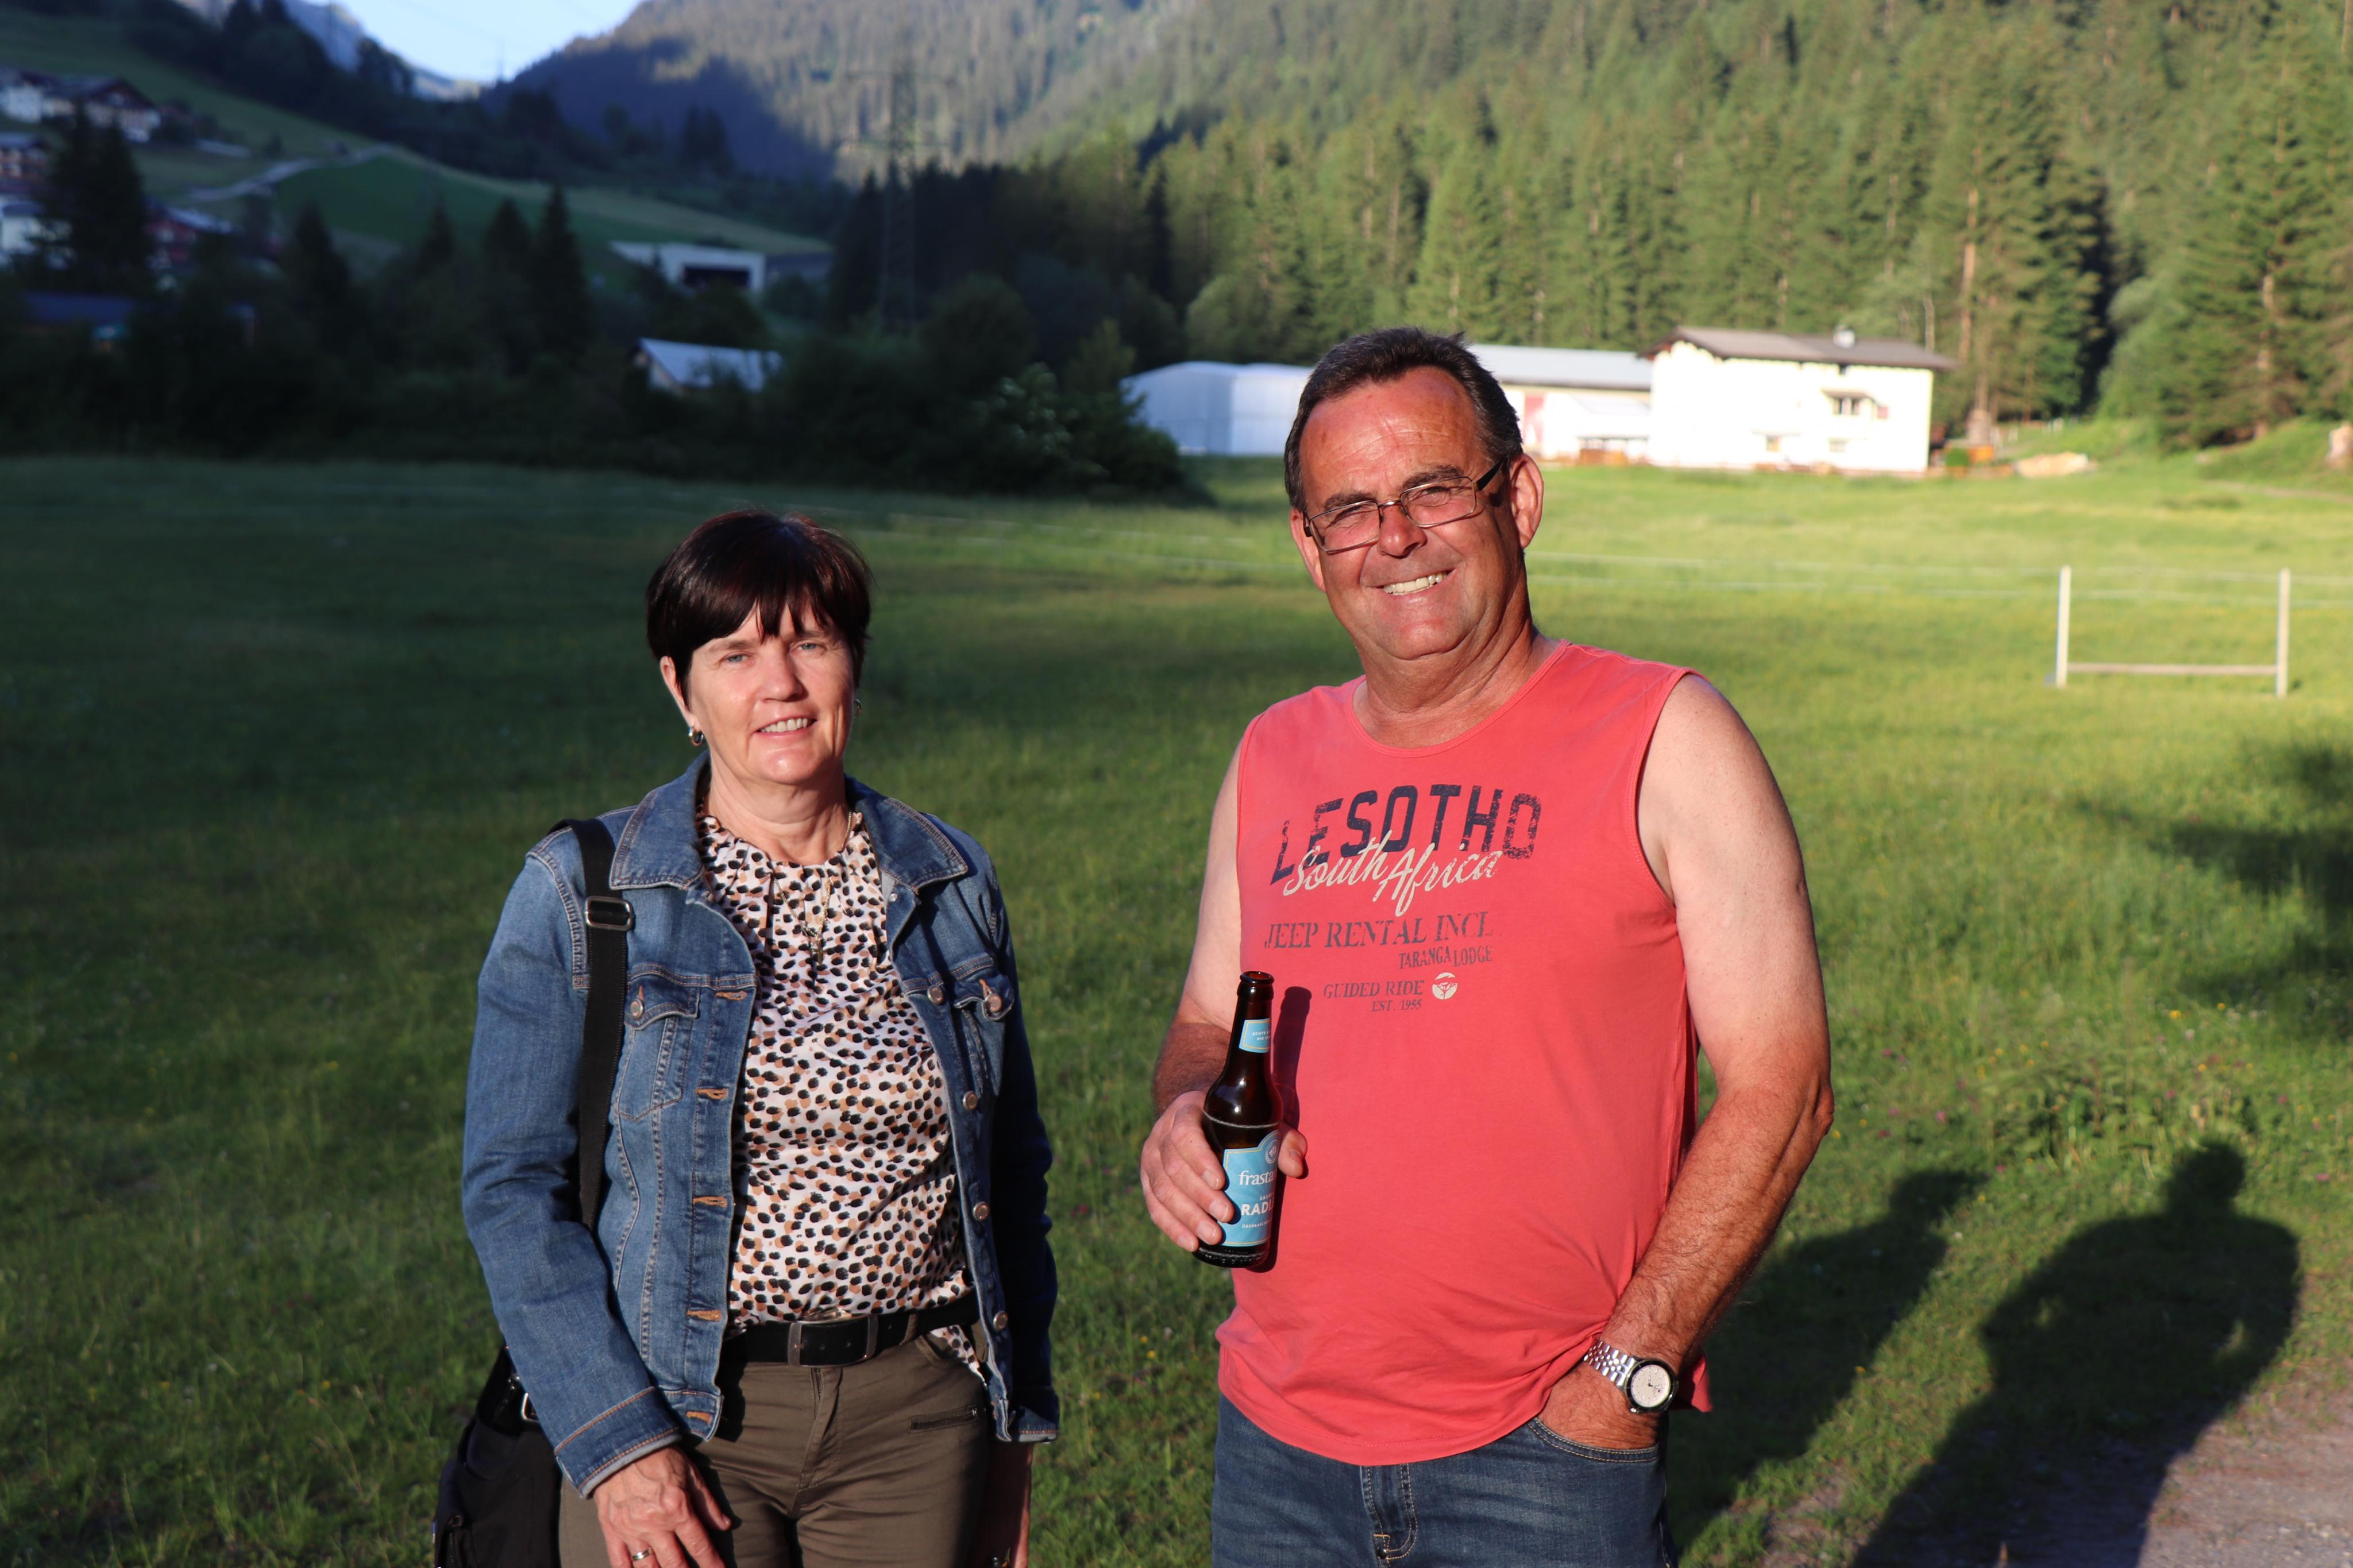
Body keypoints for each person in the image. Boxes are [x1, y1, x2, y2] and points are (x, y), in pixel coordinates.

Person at [1136, 327, 1835, 1566]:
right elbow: (1204, 1022)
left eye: (1433, 490)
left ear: (1518, 498)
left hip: (1545, 1458)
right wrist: (1184, 1112)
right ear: (1308, 546)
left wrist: (1625, 1380)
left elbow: (1783, 1088)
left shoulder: (1666, 734)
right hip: (1275, 1447)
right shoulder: (1271, 755)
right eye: (1350, 511)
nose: (1395, 539)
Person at [463, 511, 1056, 1568]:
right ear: (681, 690)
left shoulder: (951, 881)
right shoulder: (584, 892)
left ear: (854, 665)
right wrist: (620, 1442)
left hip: (917, 1429)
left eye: (810, 643)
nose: (780, 683)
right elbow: (512, 1187)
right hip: (679, 1415)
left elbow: (1011, 1177)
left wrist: (1013, 1434)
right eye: (735, 653)